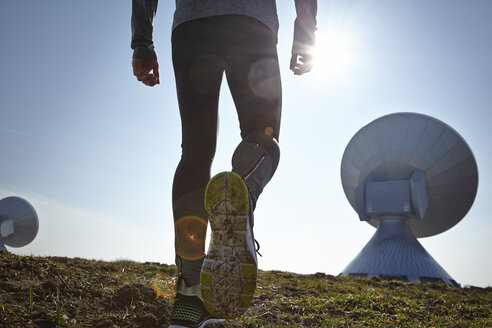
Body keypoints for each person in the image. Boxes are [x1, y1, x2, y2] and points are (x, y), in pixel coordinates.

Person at [131, 1, 317, 326]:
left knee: (195, 150)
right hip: (250, 24)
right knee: (263, 133)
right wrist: (304, 31)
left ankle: (189, 297)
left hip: (191, 28)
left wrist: (143, 41)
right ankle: (240, 191)